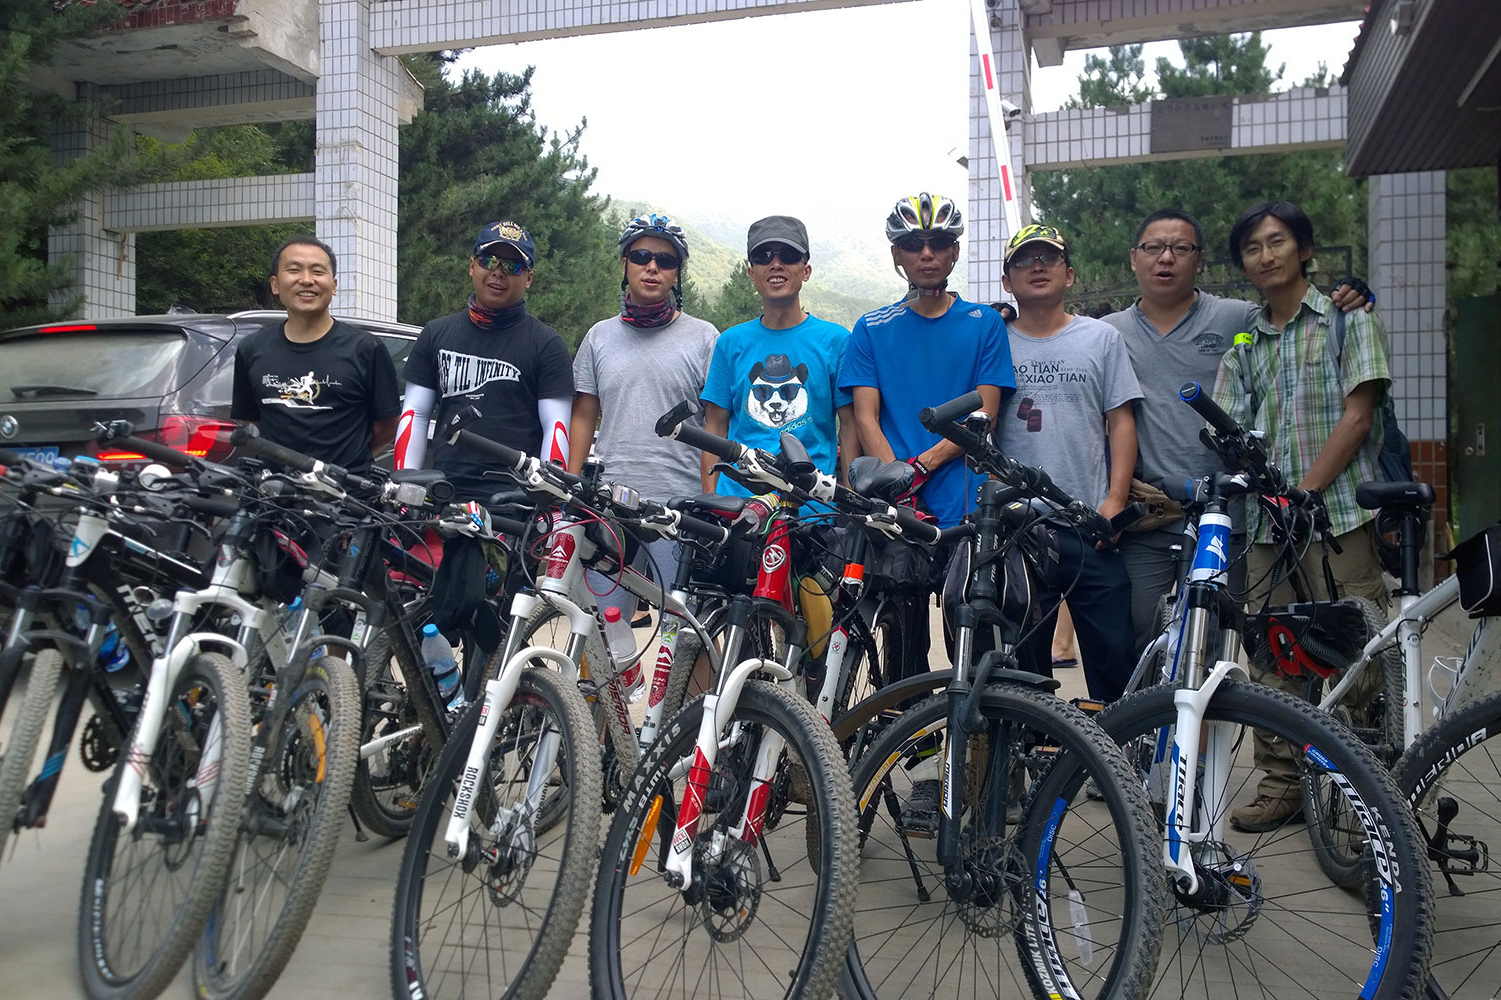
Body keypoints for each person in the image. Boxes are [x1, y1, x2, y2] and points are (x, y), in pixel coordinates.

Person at [1103, 208, 1373, 664]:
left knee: (1218, 642)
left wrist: (1353, 293)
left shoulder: (1240, 318)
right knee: (1144, 637)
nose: (1166, 257)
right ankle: (1149, 715)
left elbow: (1293, 316)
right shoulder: (1108, 332)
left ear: (1200, 260)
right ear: (1133, 258)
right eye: (1153, 247)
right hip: (1150, 516)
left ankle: (1213, 714)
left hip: (1230, 516)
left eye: (1181, 248)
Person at [1210, 199, 1393, 832]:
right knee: (1272, 656)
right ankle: (1282, 783)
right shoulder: (1244, 345)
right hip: (1268, 528)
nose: (1265, 255)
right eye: (1252, 248)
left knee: (1358, 651)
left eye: (1277, 241)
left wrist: (1304, 492)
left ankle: (1370, 785)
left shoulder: (1348, 320)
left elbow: (1358, 417)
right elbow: (1231, 429)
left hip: (1337, 520)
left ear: (1305, 249)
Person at [840, 192, 1013, 671]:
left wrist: (919, 467)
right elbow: (865, 417)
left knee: (972, 651)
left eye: (938, 242)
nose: (927, 253)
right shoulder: (871, 328)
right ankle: (904, 722)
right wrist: (898, 481)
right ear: (897, 254)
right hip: (900, 510)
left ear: (954, 251)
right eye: (913, 244)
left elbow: (985, 414)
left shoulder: (984, 323)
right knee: (901, 654)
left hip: (968, 506)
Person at [993, 223, 1141, 703]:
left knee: (1114, 658)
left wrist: (1115, 500)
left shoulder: (1101, 338)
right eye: (1023, 260)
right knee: (1023, 669)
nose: (1037, 267)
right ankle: (1032, 747)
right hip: (1018, 528)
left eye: (1049, 258)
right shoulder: (993, 341)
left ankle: (1115, 746)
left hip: (1088, 523)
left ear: (1070, 274)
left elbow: (1121, 421)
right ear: (1007, 281)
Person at [570, 214, 720, 619]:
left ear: (677, 273)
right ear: (625, 265)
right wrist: (572, 487)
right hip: (609, 506)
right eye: (640, 256)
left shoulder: (705, 337)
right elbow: (583, 416)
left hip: (680, 508)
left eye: (665, 260)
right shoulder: (599, 336)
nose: (652, 267)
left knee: (683, 630)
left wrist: (710, 499)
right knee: (603, 626)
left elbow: (716, 425)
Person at [394, 220, 574, 498]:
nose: (498, 272)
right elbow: (415, 415)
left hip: (514, 503)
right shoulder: (435, 334)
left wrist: (548, 501)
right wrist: (405, 490)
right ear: (472, 266)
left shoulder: (547, 345)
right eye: (488, 260)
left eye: (513, 266)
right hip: (443, 496)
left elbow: (557, 427)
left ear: (528, 279)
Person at [702, 215, 858, 492]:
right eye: (763, 256)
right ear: (751, 274)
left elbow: (850, 427)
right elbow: (715, 429)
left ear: (806, 270)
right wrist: (711, 502)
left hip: (813, 506)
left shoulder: (836, 341)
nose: (775, 263)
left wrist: (852, 501)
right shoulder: (730, 343)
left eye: (788, 254)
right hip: (737, 503)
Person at [232, 235, 400, 471]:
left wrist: (346, 465)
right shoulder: (252, 348)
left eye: (318, 272)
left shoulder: (366, 349)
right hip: (272, 488)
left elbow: (388, 425)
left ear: (334, 285)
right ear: (275, 284)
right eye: (294, 270)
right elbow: (250, 420)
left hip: (344, 489)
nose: (306, 280)